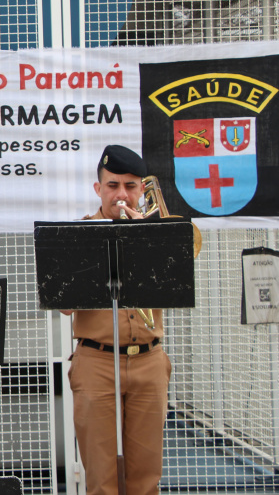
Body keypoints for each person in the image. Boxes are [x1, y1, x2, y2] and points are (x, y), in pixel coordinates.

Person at [61, 145, 171, 495]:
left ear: (142, 190)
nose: (121, 194)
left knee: (146, 477)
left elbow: (175, 291)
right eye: (112, 186)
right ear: (98, 189)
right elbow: (63, 305)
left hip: (149, 360)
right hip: (96, 360)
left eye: (130, 186)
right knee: (101, 479)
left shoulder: (159, 233)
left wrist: (147, 242)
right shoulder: (78, 235)